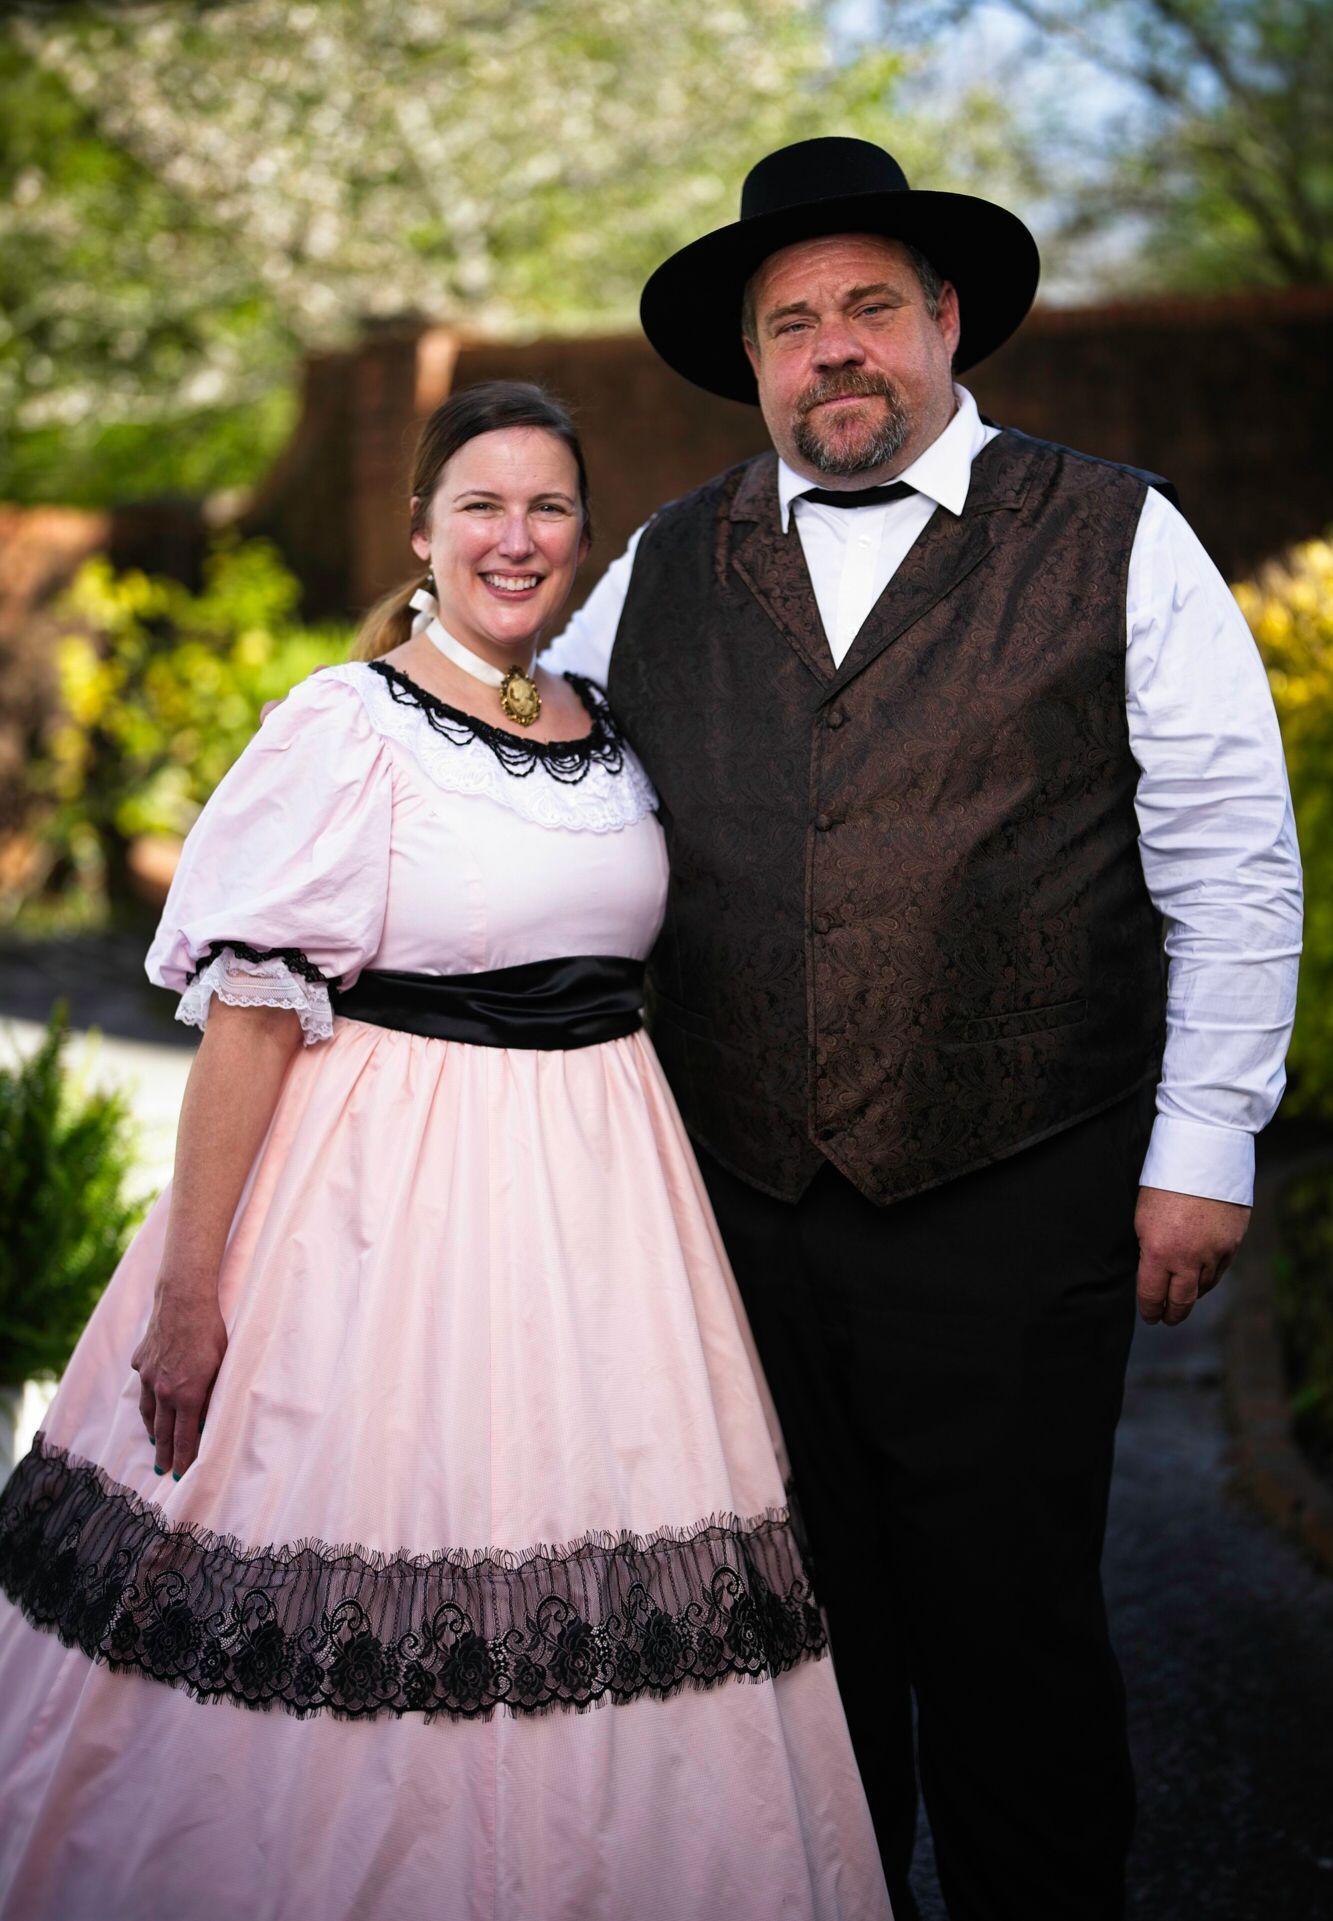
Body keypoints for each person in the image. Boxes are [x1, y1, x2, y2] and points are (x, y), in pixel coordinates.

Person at [0, 381, 893, 1921]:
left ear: (585, 541)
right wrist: (192, 1288)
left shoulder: (600, 729)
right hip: (379, 1214)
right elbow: (253, 1019)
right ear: (421, 533)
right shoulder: (345, 723)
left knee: (609, 1587)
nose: (515, 535)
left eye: (548, 505)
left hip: (608, 1218)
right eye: (480, 503)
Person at [542, 138, 1303, 1919]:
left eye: (869, 306)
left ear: (947, 320)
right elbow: (528, 779)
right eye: (789, 322)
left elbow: (1230, 861)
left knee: (1009, 1642)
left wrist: (1203, 1150)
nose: (832, 350)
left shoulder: (1118, 530)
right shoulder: (658, 562)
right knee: (793, 1660)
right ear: (752, 363)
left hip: (1013, 1183)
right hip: (735, 1204)